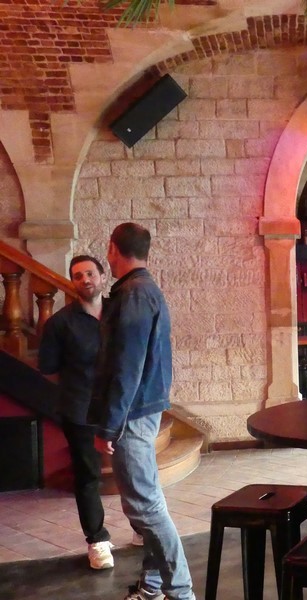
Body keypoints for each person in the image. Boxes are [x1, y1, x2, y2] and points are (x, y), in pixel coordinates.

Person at [89, 222, 195, 600]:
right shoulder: (142, 290)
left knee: (145, 508)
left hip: (131, 414)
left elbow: (127, 367)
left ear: (113, 249)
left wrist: (109, 425)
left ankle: (181, 593)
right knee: (146, 506)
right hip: (139, 410)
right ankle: (152, 587)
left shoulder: (134, 294)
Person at [38, 255, 114, 570]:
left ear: (102, 276)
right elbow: (47, 365)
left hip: (118, 405)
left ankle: (141, 528)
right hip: (79, 408)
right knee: (87, 475)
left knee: (132, 470)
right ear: (73, 283)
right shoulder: (60, 323)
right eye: (78, 275)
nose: (85, 279)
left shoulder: (118, 312)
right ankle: (97, 541)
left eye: (90, 273)